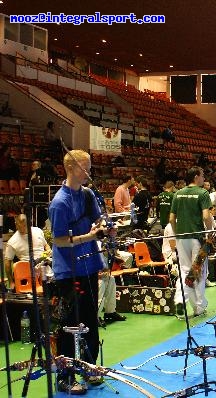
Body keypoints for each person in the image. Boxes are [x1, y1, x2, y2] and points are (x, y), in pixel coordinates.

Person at [49, 149, 114, 394]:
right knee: (70, 324)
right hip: (69, 271)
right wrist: (89, 235)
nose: (89, 172)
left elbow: (98, 221)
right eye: (85, 167)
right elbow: (59, 240)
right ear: (71, 169)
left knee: (90, 323)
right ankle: (65, 377)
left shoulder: (87, 195)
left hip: (90, 265)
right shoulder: (60, 202)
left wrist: (106, 228)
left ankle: (89, 367)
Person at [169, 166, 213, 319]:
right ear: (196, 176)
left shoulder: (177, 194)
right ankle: (199, 307)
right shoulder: (203, 193)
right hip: (197, 239)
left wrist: (177, 234)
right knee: (197, 272)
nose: (204, 178)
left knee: (184, 270)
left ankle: (180, 299)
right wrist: (210, 232)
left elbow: (171, 219)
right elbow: (207, 216)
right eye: (202, 175)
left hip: (181, 238)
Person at [4, 213, 52, 289]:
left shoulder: (38, 231)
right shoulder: (12, 242)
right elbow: (7, 263)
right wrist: (11, 282)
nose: (22, 229)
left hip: (45, 268)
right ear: (16, 224)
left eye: (24, 226)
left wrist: (49, 250)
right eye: (20, 226)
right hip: (28, 272)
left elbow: (46, 245)